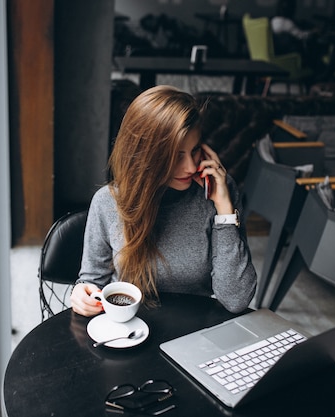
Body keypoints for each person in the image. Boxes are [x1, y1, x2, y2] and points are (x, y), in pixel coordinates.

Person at [70, 86, 257, 317]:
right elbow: (91, 281)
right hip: (128, 331)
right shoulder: (107, 202)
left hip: (193, 334)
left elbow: (236, 299)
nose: (190, 167)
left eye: (195, 149)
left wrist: (224, 210)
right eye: (176, 156)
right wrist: (81, 293)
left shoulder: (219, 192)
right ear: (146, 155)